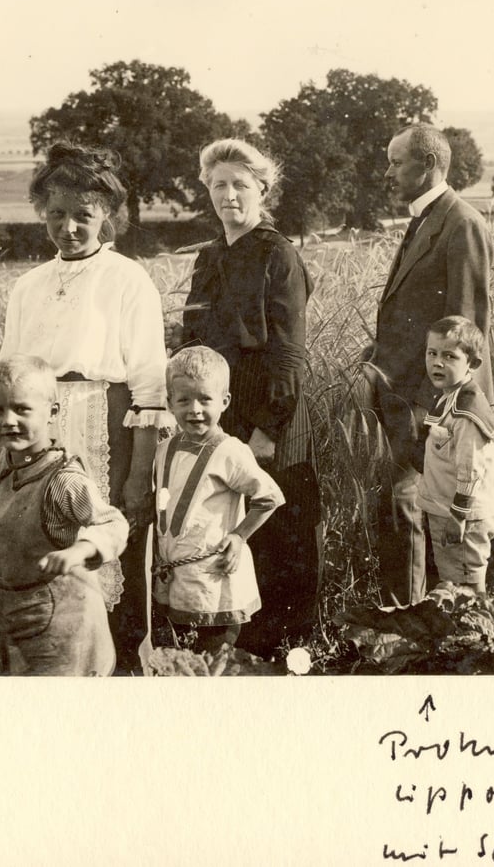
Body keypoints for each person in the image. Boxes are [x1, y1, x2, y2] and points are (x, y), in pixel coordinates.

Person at [0, 142, 171, 673]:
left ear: (108, 216)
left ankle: (114, 667)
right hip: (39, 428)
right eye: (57, 214)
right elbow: (12, 377)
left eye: (84, 216)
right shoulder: (28, 286)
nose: (69, 227)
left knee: (109, 536)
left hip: (108, 424)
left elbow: (149, 384)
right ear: (41, 214)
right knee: (43, 540)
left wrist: (139, 473)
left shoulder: (127, 279)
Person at [174, 138, 321, 658]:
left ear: (263, 188)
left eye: (240, 184)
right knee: (230, 532)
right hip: (218, 417)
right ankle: (230, 648)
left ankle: (286, 653)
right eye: (218, 185)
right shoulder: (210, 256)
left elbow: (288, 354)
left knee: (277, 532)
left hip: (267, 418)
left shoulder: (277, 255)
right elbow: (192, 339)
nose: (229, 195)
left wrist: (267, 429)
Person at [365, 123, 494, 606]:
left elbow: (465, 329)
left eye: (397, 162)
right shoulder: (425, 217)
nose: (388, 172)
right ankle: (412, 614)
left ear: (430, 165)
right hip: (402, 393)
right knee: (406, 509)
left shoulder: (460, 223)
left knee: (421, 509)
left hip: (428, 405)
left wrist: (435, 410)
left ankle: (422, 617)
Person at [0, 355, 128, 675]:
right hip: (10, 613)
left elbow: (112, 523)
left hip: (60, 622)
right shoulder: (4, 462)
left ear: (52, 413)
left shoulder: (62, 480)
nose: (8, 420)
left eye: (22, 409)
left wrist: (80, 550)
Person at [151, 347, 284, 655]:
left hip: (213, 578)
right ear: (169, 403)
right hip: (175, 576)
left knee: (215, 657)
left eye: (205, 399)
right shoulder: (164, 449)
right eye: (183, 400)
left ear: (224, 402)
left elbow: (270, 498)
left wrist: (239, 537)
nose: (194, 409)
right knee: (183, 656)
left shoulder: (231, 451)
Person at [417, 316, 494, 594]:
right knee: (452, 578)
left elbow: (470, 468)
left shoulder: (466, 411)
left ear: (473, 364)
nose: (437, 363)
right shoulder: (448, 396)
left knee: (466, 585)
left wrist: (458, 516)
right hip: (445, 510)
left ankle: (474, 632)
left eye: (449, 356)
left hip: (463, 518)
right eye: (432, 353)